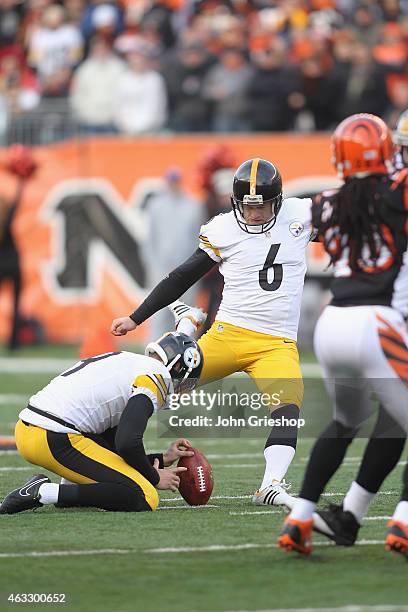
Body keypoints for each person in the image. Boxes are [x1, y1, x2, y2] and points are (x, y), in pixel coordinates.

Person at [111, 157, 315, 508]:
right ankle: (104, 445)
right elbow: (182, 276)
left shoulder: (300, 215)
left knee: (287, 409)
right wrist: (137, 317)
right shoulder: (223, 228)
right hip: (229, 334)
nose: (253, 214)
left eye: (261, 205)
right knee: (161, 377)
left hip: (276, 343)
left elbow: (353, 217)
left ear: (278, 200)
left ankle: (271, 485)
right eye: (246, 206)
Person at [278, 113, 408, 555]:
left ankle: (302, 516)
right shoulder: (397, 191)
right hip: (379, 323)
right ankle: (404, 521)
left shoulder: (325, 203)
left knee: (348, 422)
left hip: (332, 326)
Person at [0, 332, 203, 514]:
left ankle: (69, 485)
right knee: (145, 495)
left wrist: (162, 458)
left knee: (124, 476)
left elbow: (113, 448)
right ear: (178, 365)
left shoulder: (127, 363)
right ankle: (44, 492)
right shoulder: (156, 376)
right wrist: (155, 477)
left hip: (33, 431)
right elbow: (127, 442)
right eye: (185, 381)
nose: (181, 387)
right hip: (54, 435)